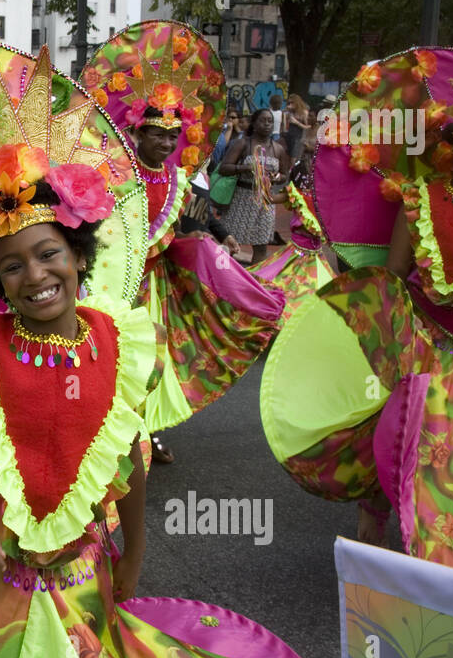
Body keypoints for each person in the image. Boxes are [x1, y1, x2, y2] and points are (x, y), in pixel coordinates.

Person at [0, 169, 323, 658]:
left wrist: (134, 550)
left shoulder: (120, 343)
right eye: (12, 266)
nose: (35, 276)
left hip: (81, 573)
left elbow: (127, 451)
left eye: (49, 254)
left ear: (79, 255)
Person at [260, 33, 453, 579]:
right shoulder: (420, 202)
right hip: (430, 345)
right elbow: (398, 277)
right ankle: (391, 526)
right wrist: (394, 340)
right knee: (413, 446)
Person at [80, 24, 285, 466]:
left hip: (155, 287)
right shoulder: (116, 175)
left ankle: (145, 434)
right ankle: (101, 435)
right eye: (159, 135)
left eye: (174, 137)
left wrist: (221, 235)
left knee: (152, 363)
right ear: (137, 133)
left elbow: (196, 213)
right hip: (113, 287)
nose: (168, 143)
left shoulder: (176, 178)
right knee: (109, 362)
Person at [248, 144, 335, 321]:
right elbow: (267, 199)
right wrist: (263, 180)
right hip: (295, 254)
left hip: (316, 255)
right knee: (285, 285)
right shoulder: (296, 195)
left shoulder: (325, 198)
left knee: (318, 290)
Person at [220, 108, 291, 262]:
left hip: (265, 202)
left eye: (270, 121)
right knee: (230, 243)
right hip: (241, 198)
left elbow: (284, 175)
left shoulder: (278, 148)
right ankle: (226, 277)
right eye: (263, 120)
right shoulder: (243, 143)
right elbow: (224, 168)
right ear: (254, 123)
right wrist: (245, 168)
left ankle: (255, 281)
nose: (267, 124)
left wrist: (277, 177)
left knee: (261, 245)